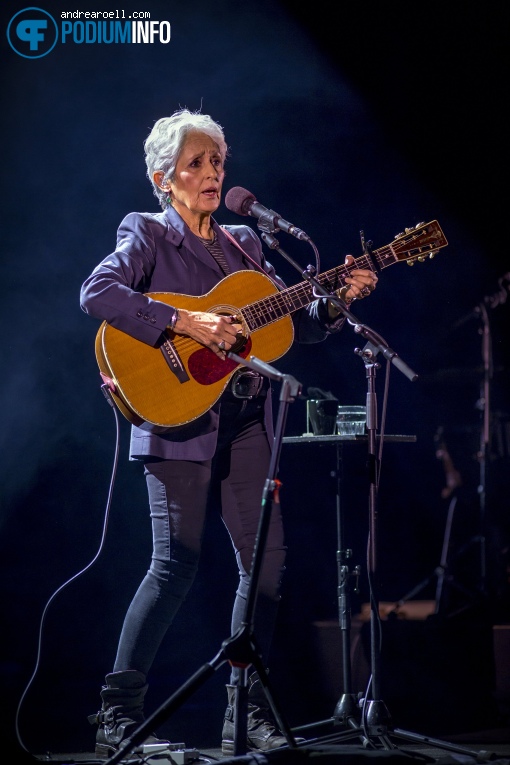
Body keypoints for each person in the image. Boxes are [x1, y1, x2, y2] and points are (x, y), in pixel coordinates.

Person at [80, 108, 378, 758]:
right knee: (174, 566)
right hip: (173, 415)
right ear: (165, 177)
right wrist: (186, 325)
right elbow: (97, 292)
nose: (212, 173)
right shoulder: (149, 233)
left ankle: (247, 716)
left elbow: (283, 325)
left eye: (217, 161)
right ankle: (116, 715)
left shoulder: (246, 242)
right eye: (196, 164)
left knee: (267, 567)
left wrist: (336, 301)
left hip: (246, 419)